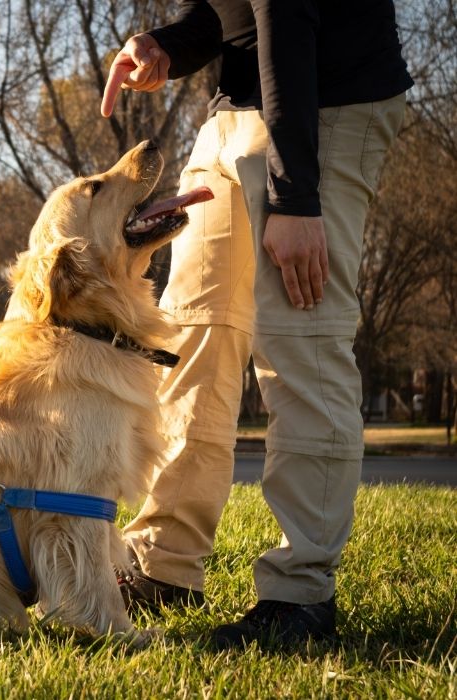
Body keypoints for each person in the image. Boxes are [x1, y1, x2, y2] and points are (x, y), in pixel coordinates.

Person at [101, 0, 412, 648]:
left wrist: (295, 196)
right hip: (233, 111)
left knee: (302, 341)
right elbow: (230, 11)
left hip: (322, 105)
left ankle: (299, 597)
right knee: (192, 334)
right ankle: (164, 564)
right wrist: (170, 45)